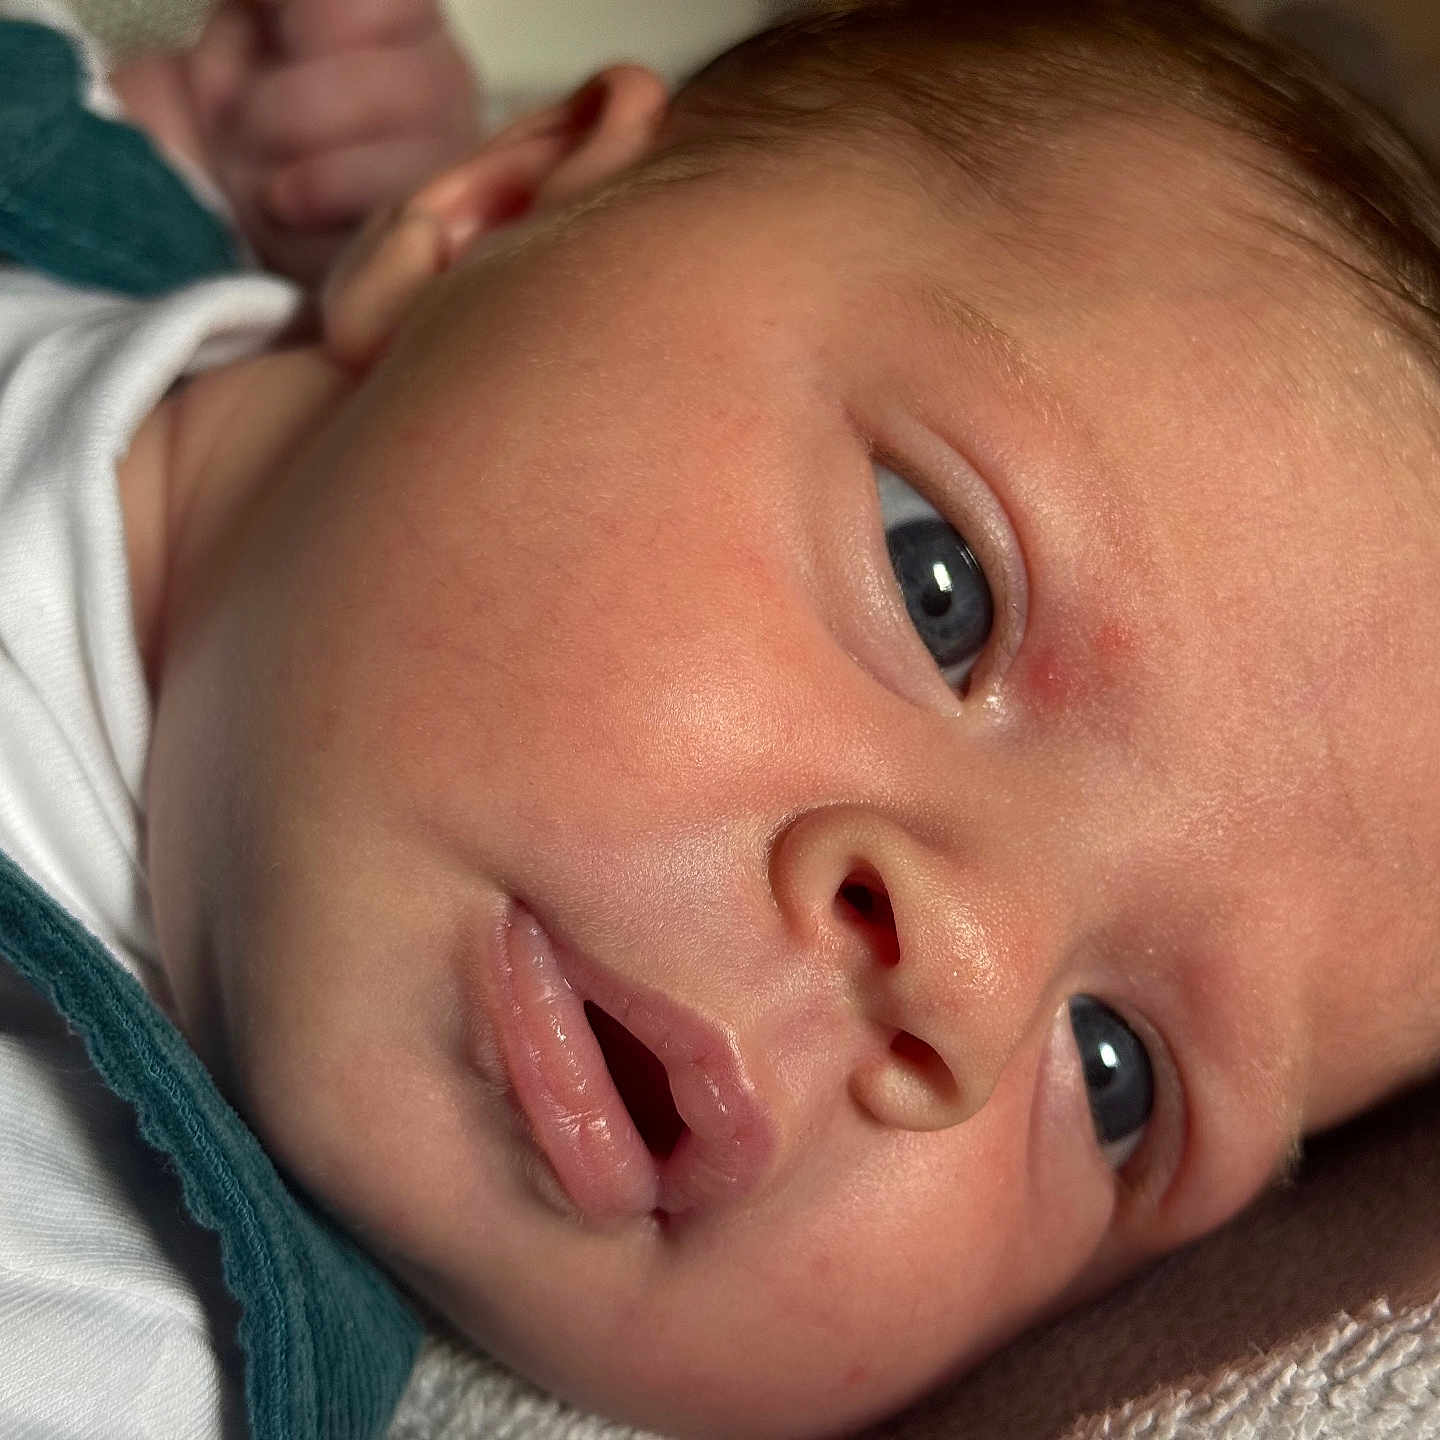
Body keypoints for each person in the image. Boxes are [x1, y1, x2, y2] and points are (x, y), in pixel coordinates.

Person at [3, 0, 1439, 1436]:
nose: (971, 977)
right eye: (940, 588)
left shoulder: (89, 1340)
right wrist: (196, 141)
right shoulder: (68, 174)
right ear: (496, 208)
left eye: (1119, 1077)